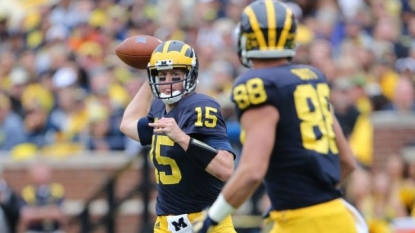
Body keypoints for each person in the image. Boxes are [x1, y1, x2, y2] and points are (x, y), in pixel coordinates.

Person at [193, 1, 368, 233]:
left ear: (247, 39)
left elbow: (251, 171)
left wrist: (209, 219)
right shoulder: (310, 77)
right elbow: (346, 161)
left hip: (300, 223)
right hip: (337, 216)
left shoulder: (258, 85)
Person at [119, 40, 236, 232]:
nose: (168, 83)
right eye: (161, 75)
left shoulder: (200, 106)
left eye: (175, 74)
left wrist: (182, 138)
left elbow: (225, 169)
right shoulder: (158, 106)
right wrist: (151, 72)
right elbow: (127, 124)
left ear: (190, 75)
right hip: (166, 224)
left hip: (207, 220)